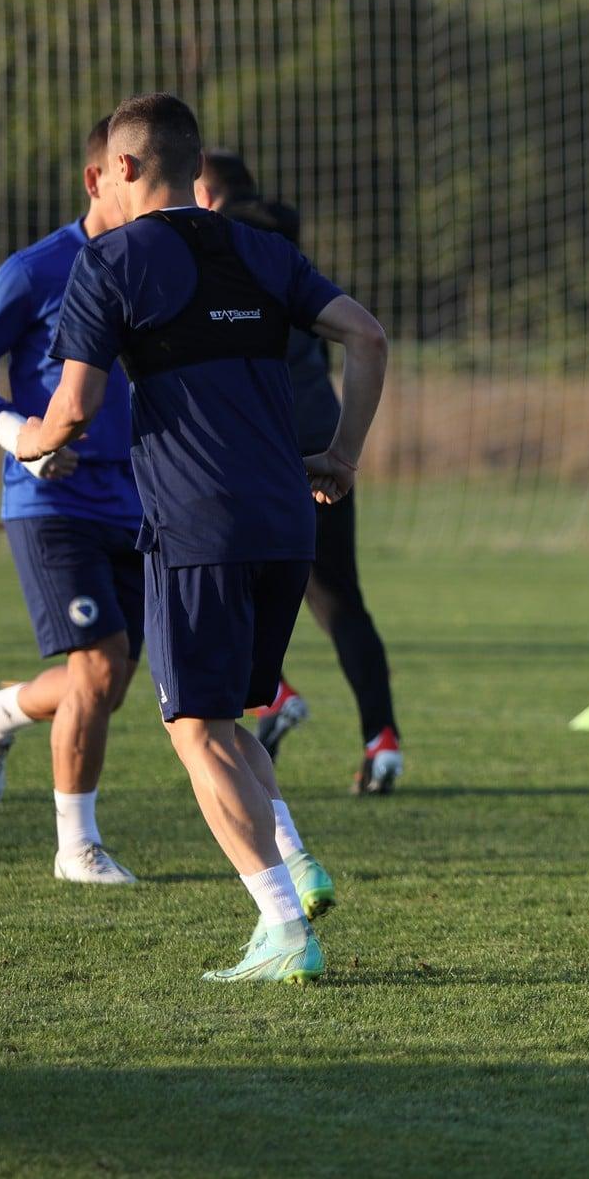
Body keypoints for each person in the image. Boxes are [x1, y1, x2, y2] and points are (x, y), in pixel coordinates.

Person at [19, 93, 389, 984]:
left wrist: (30, 441)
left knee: (193, 725)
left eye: (106, 167)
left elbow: (76, 406)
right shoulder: (261, 249)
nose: (100, 181)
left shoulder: (109, 260)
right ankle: (296, 868)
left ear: (130, 169)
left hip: (198, 523)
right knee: (221, 719)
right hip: (286, 519)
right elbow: (367, 336)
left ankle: (282, 925)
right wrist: (341, 453)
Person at [0, 117, 144, 884]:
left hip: (139, 503)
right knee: (96, 670)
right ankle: (76, 848)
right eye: (139, 182)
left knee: (109, 683)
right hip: (50, 503)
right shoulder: (37, 269)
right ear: (100, 180)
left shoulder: (160, 270)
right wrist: (20, 432)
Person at [193, 150, 403, 795]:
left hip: (253, 445)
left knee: (205, 587)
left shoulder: (216, 254)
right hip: (319, 437)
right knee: (340, 602)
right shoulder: (289, 252)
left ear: (208, 195)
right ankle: (383, 742)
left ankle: (275, 696)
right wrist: (343, 452)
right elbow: (361, 336)